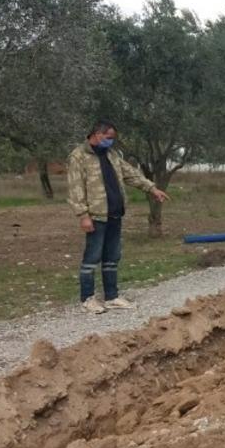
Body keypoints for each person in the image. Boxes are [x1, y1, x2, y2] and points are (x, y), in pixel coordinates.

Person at [67, 119, 170, 314]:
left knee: (112, 257)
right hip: (96, 215)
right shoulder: (78, 157)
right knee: (92, 257)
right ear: (97, 134)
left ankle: (112, 296)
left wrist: (152, 188)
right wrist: (83, 215)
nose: (111, 142)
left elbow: (130, 174)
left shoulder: (111, 155)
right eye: (108, 138)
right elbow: (76, 188)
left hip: (114, 214)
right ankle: (87, 298)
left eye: (112, 139)